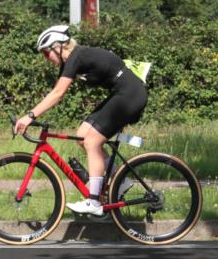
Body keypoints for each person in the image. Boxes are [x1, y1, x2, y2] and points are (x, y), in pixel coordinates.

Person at [13, 25, 148, 216]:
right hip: (123, 93)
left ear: (59, 47)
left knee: (92, 141)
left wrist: (30, 116)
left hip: (130, 94)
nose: (46, 58)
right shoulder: (73, 60)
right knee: (82, 135)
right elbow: (55, 92)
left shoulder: (76, 56)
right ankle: (120, 179)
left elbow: (58, 94)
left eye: (46, 53)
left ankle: (94, 202)